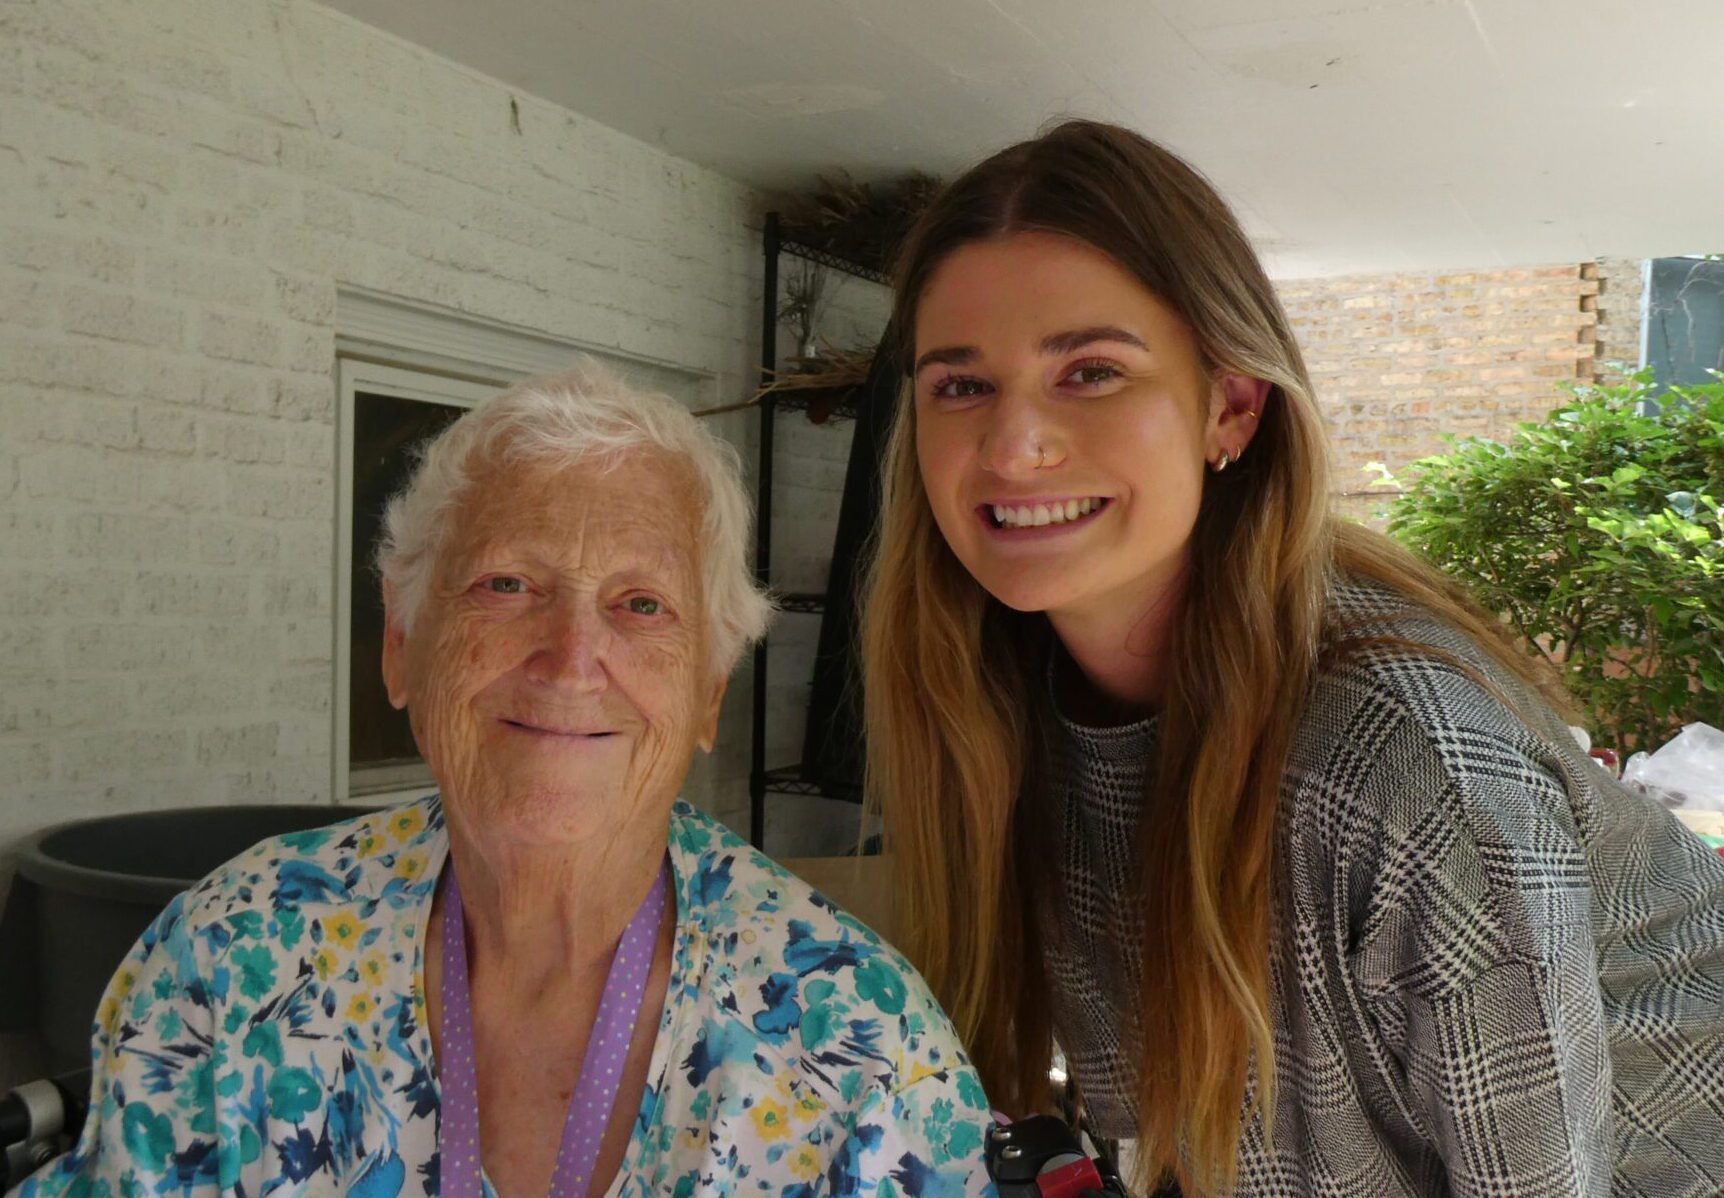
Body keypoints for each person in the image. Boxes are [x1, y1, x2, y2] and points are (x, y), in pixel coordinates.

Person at [860, 119, 1724, 1198]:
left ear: (1229, 403)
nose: (1009, 445)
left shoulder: (1405, 766)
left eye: (1088, 371)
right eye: (960, 385)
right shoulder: (1000, 710)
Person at [16, 361, 993, 1198]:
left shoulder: (862, 1053)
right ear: (402, 646)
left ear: (706, 694)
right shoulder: (228, 958)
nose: (571, 658)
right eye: (506, 584)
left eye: (640, 603)